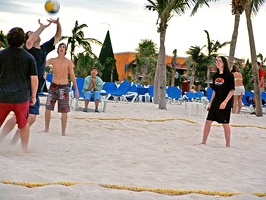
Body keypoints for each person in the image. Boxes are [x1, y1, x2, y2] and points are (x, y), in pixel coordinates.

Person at [0, 18, 62, 145]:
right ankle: (2, 139)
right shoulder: (28, 48)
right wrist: (42, 28)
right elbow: (30, 40)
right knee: (18, 118)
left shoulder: (44, 48)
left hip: (35, 89)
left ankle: (13, 142)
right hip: (26, 88)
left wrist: (58, 24)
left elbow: (58, 36)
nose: (34, 35)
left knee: (31, 118)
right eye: (31, 34)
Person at [0, 27, 38, 152]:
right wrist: (33, 96)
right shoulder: (28, 57)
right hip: (21, 97)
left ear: (8, 40)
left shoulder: (1, 55)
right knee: (23, 124)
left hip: (3, 96)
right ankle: (24, 149)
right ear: (23, 41)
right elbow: (34, 79)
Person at [43, 43, 79, 136]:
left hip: (64, 87)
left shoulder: (68, 62)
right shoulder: (53, 60)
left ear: (66, 50)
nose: (62, 48)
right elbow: (42, 64)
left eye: (63, 47)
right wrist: (43, 72)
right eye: (60, 47)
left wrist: (76, 89)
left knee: (64, 110)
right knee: (48, 108)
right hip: (54, 86)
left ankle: (63, 132)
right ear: (58, 49)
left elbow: (72, 75)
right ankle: (46, 129)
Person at [200, 56, 235, 147]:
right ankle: (203, 142)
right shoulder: (215, 75)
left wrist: (225, 102)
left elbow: (232, 90)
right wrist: (210, 103)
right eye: (217, 61)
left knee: (225, 123)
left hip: (225, 102)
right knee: (208, 121)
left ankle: (228, 144)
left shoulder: (229, 75)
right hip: (216, 101)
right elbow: (214, 91)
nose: (218, 62)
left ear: (224, 63)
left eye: (220, 61)